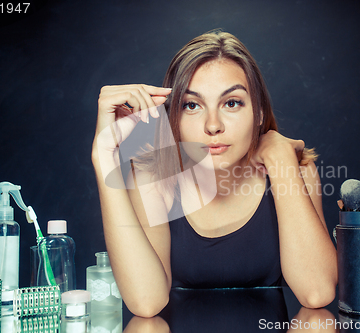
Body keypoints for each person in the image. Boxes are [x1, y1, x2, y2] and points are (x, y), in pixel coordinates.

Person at [92, 31, 337, 318]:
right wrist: (104, 157)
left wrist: (280, 160)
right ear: (174, 118)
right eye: (192, 105)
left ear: (258, 112)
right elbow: (146, 302)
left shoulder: (296, 170)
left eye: (231, 103)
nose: (213, 125)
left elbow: (317, 292)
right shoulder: (152, 178)